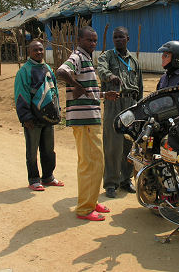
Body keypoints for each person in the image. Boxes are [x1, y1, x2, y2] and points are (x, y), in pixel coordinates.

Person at [56, 26, 119, 221]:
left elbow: (86, 90)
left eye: (95, 40)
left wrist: (103, 95)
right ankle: (84, 208)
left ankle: (91, 201)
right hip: (84, 121)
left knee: (95, 163)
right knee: (90, 164)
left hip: (90, 118)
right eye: (89, 40)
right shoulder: (77, 57)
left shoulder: (86, 59)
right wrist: (75, 86)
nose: (92, 44)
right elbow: (61, 71)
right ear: (79, 40)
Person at [97, 26, 143, 198]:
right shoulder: (107, 56)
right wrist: (110, 77)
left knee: (129, 145)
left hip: (131, 105)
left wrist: (140, 108)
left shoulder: (134, 61)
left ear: (127, 39)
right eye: (115, 37)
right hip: (114, 102)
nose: (118, 40)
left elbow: (140, 86)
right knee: (112, 145)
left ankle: (125, 180)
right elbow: (101, 70)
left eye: (121, 37)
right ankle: (110, 183)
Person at [14, 40, 64, 191]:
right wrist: (26, 117)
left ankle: (48, 176)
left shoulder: (47, 68)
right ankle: (34, 179)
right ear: (29, 52)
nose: (39, 52)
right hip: (32, 119)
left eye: (41, 49)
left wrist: (57, 111)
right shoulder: (24, 71)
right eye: (35, 50)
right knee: (32, 151)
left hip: (48, 117)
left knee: (49, 149)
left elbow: (54, 91)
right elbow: (20, 95)